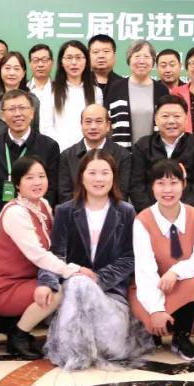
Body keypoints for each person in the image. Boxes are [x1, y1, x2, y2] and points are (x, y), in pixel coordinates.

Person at [42, 149, 152, 370]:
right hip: (73, 298)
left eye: (105, 172)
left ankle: (79, 351)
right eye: (92, 173)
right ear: (81, 176)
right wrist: (47, 282)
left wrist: (98, 278)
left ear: (114, 177)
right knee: (77, 282)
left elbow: (130, 257)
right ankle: (76, 352)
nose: (99, 179)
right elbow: (55, 255)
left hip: (111, 296)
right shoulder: (65, 211)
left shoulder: (126, 211)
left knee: (83, 284)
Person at [0, 156, 72, 359]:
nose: (37, 182)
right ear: (17, 184)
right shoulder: (15, 212)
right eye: (29, 178)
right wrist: (71, 270)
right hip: (5, 288)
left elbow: (54, 246)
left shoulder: (43, 205)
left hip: (31, 280)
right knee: (60, 291)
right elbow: (38, 255)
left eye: (41, 176)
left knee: (64, 285)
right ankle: (18, 336)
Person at [130, 159, 194, 361]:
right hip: (148, 287)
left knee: (192, 283)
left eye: (174, 182)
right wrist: (156, 309)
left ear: (184, 184)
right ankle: (156, 329)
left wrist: (175, 272)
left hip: (180, 286)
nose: (167, 190)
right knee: (153, 330)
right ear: (152, 186)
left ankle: (181, 337)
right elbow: (145, 271)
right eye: (161, 183)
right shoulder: (142, 221)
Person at [0, 89, 61, 220]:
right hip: (1, 219)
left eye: (22, 108)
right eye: (11, 109)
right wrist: (4, 217)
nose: (17, 114)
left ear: (32, 113)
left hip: (38, 218)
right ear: (2, 115)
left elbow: (51, 190)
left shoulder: (49, 147)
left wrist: (33, 216)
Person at [128, 95, 194, 211]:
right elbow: (136, 185)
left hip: (189, 213)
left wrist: (183, 214)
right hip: (150, 212)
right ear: (156, 119)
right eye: (165, 116)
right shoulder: (143, 145)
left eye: (177, 116)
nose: (171, 121)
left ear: (186, 119)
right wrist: (152, 213)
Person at [58, 104, 131, 203]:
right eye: (88, 122)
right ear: (81, 125)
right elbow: (65, 194)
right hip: (76, 211)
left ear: (108, 125)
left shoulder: (122, 155)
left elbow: (121, 193)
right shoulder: (67, 156)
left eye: (99, 121)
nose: (93, 127)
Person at [106, 40, 169, 148]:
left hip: (154, 153)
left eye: (146, 57)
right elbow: (107, 122)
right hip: (122, 153)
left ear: (153, 61)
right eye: (137, 56)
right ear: (129, 60)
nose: (141, 61)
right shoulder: (116, 87)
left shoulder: (162, 90)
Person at [0, 51, 40, 148]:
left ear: (23, 73)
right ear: (0, 71)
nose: (11, 73)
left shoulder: (33, 100)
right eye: (7, 68)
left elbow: (36, 133)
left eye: (16, 69)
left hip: (25, 153)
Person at [27, 43, 55, 139]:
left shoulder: (61, 91)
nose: (40, 64)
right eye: (36, 60)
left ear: (52, 63)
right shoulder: (23, 90)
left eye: (44, 60)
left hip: (55, 142)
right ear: (30, 64)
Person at [88, 34, 123, 99]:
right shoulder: (81, 81)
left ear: (114, 55)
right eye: (96, 52)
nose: (101, 56)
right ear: (88, 56)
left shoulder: (123, 84)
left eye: (106, 51)